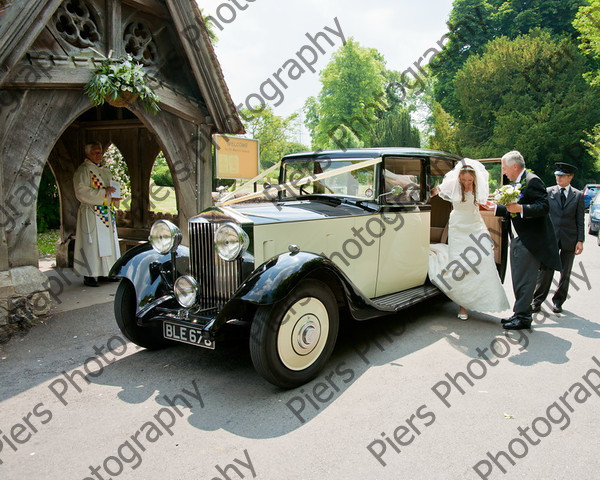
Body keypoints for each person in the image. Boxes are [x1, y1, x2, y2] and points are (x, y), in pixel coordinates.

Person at [485, 151, 561, 330]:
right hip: (519, 239)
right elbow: (513, 210)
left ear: (514, 166)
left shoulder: (532, 180)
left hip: (530, 241)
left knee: (526, 281)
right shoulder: (516, 183)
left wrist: (520, 207)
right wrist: (495, 208)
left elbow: (543, 207)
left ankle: (523, 317)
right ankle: (519, 313)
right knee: (519, 280)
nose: (504, 172)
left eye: (504, 168)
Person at [429, 159, 510, 320]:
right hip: (458, 227)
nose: (467, 183)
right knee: (460, 265)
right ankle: (462, 306)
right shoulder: (451, 185)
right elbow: (433, 192)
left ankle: (484, 298)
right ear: (459, 177)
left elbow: (483, 205)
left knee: (485, 257)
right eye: (464, 180)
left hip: (474, 226)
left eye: (470, 180)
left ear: (474, 179)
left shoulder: (478, 188)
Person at [532, 162, 584, 313]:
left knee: (565, 272)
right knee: (545, 270)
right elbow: (541, 214)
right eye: (557, 176)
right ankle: (537, 301)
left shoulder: (578, 195)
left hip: (570, 238)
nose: (558, 178)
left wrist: (580, 240)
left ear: (570, 177)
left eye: (562, 176)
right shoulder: (548, 192)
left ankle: (558, 301)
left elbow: (580, 219)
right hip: (550, 238)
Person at [73, 142, 120, 287]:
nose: (99, 155)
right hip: (92, 213)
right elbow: (81, 192)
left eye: (100, 152)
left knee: (108, 244)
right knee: (92, 245)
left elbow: (110, 190)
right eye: (95, 152)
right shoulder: (83, 171)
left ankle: (107, 272)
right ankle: (90, 274)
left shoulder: (105, 170)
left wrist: (115, 197)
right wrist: (103, 192)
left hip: (106, 211)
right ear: (87, 154)